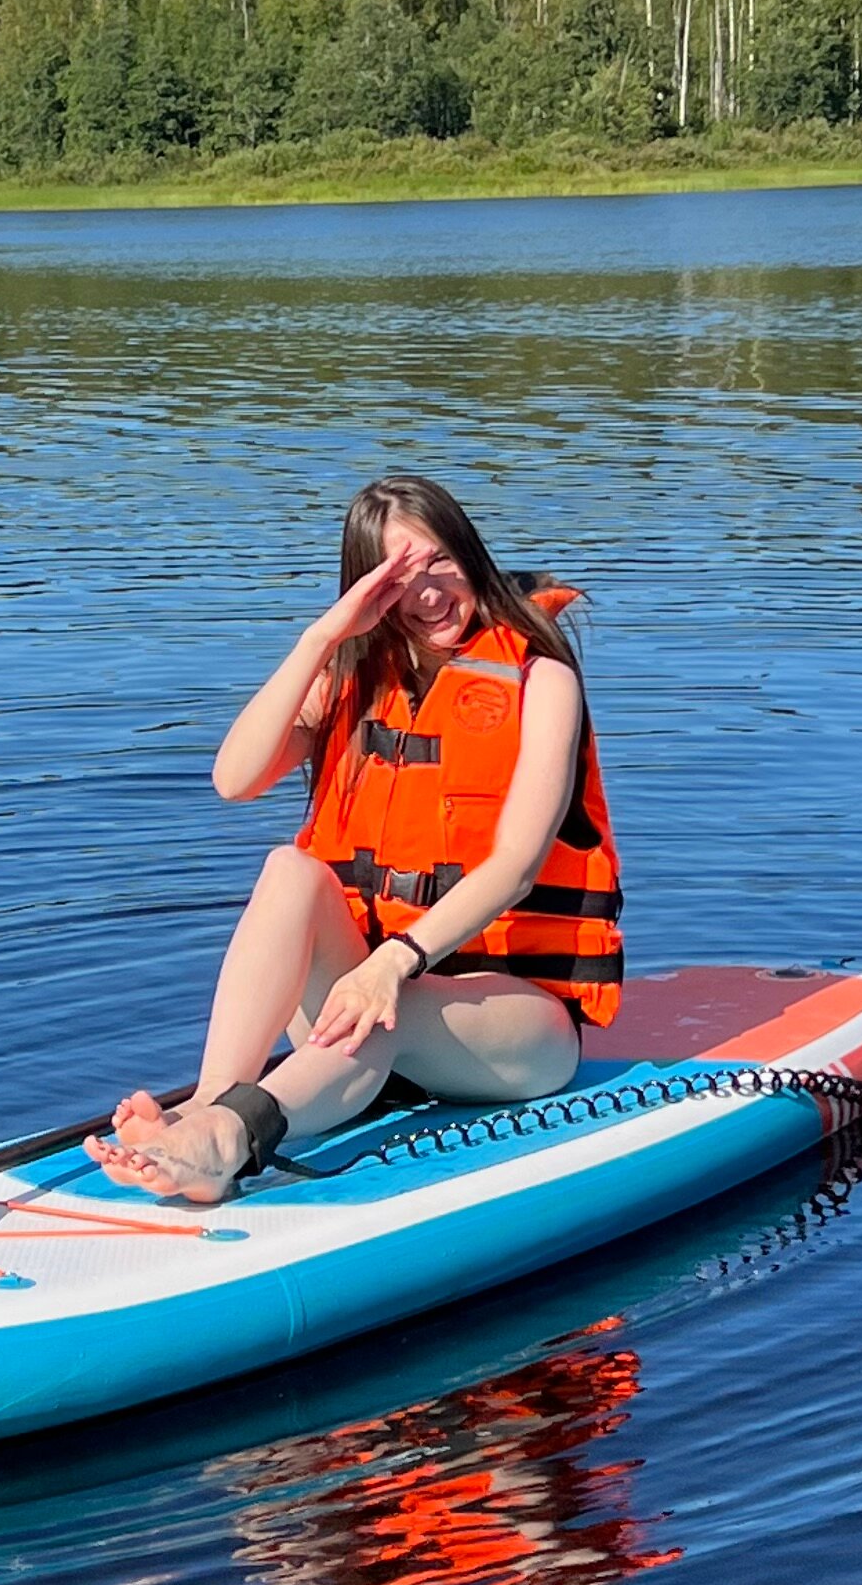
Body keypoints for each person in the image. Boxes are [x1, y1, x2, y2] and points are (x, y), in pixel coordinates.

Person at [92, 473, 623, 1204]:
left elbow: (518, 867)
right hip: (364, 994)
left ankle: (226, 1140)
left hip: (514, 1024)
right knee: (289, 869)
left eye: (439, 561)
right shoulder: (350, 671)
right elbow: (234, 779)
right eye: (398, 573)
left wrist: (392, 965)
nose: (426, 591)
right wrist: (323, 636)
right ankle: (216, 1105)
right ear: (366, 585)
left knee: (386, 1008)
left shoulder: (541, 680)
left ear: (471, 555)